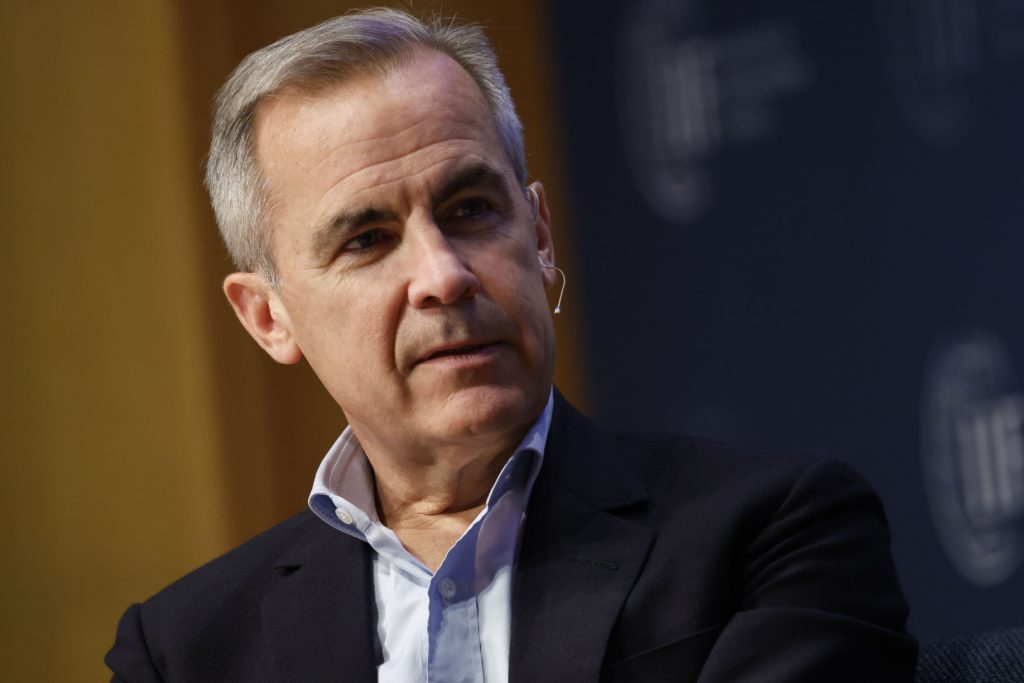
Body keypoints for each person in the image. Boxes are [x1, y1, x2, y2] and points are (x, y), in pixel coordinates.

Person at [106, 8, 917, 682]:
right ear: (268, 317)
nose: (443, 275)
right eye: (367, 239)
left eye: (470, 209)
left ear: (540, 235)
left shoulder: (770, 534)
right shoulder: (182, 654)